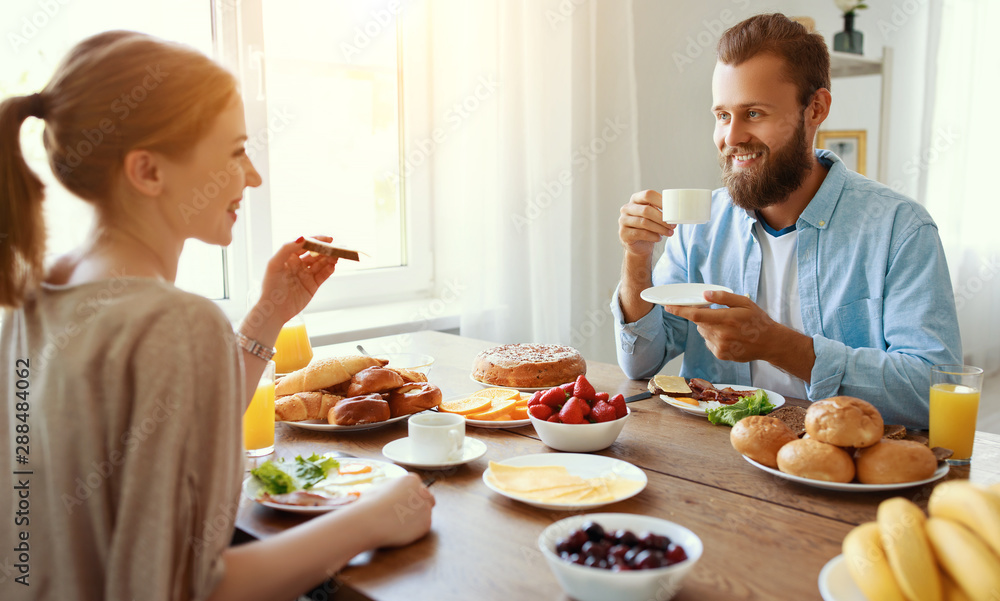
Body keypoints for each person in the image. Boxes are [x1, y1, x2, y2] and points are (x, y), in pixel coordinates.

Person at [0, 31, 433, 601]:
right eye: (234, 151)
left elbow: (164, 431)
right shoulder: (174, 322)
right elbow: (192, 590)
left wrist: (268, 316)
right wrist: (371, 520)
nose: (251, 176)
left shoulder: (38, 297)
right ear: (148, 171)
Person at [613, 14, 961, 429]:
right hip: (712, 461)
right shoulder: (699, 227)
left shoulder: (900, 230)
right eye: (722, 115)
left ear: (815, 109)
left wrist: (780, 345)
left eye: (754, 113)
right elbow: (639, 364)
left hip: (836, 467)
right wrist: (637, 257)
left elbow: (932, 393)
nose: (732, 136)